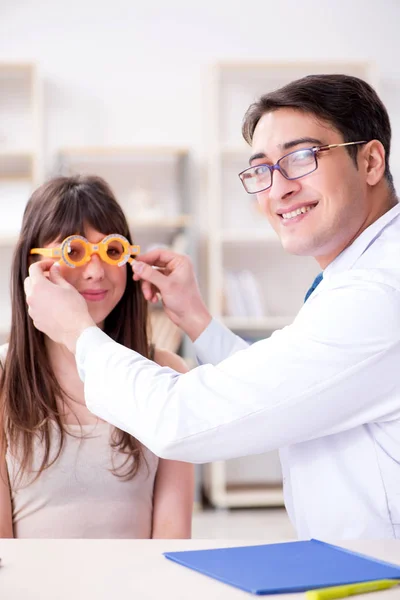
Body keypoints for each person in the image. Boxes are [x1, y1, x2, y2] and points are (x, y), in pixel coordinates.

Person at [25, 74, 400, 540]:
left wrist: (78, 334)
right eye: (261, 170)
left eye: (301, 158)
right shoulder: (358, 285)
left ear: (370, 160)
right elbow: (284, 389)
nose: (276, 189)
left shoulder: (377, 295)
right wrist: (196, 319)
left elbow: (183, 419)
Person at [0, 175, 194, 538]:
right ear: (34, 267)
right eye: (73, 252)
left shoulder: (166, 374)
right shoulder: (3, 376)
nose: (94, 271)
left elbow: (173, 539)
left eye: (111, 251)